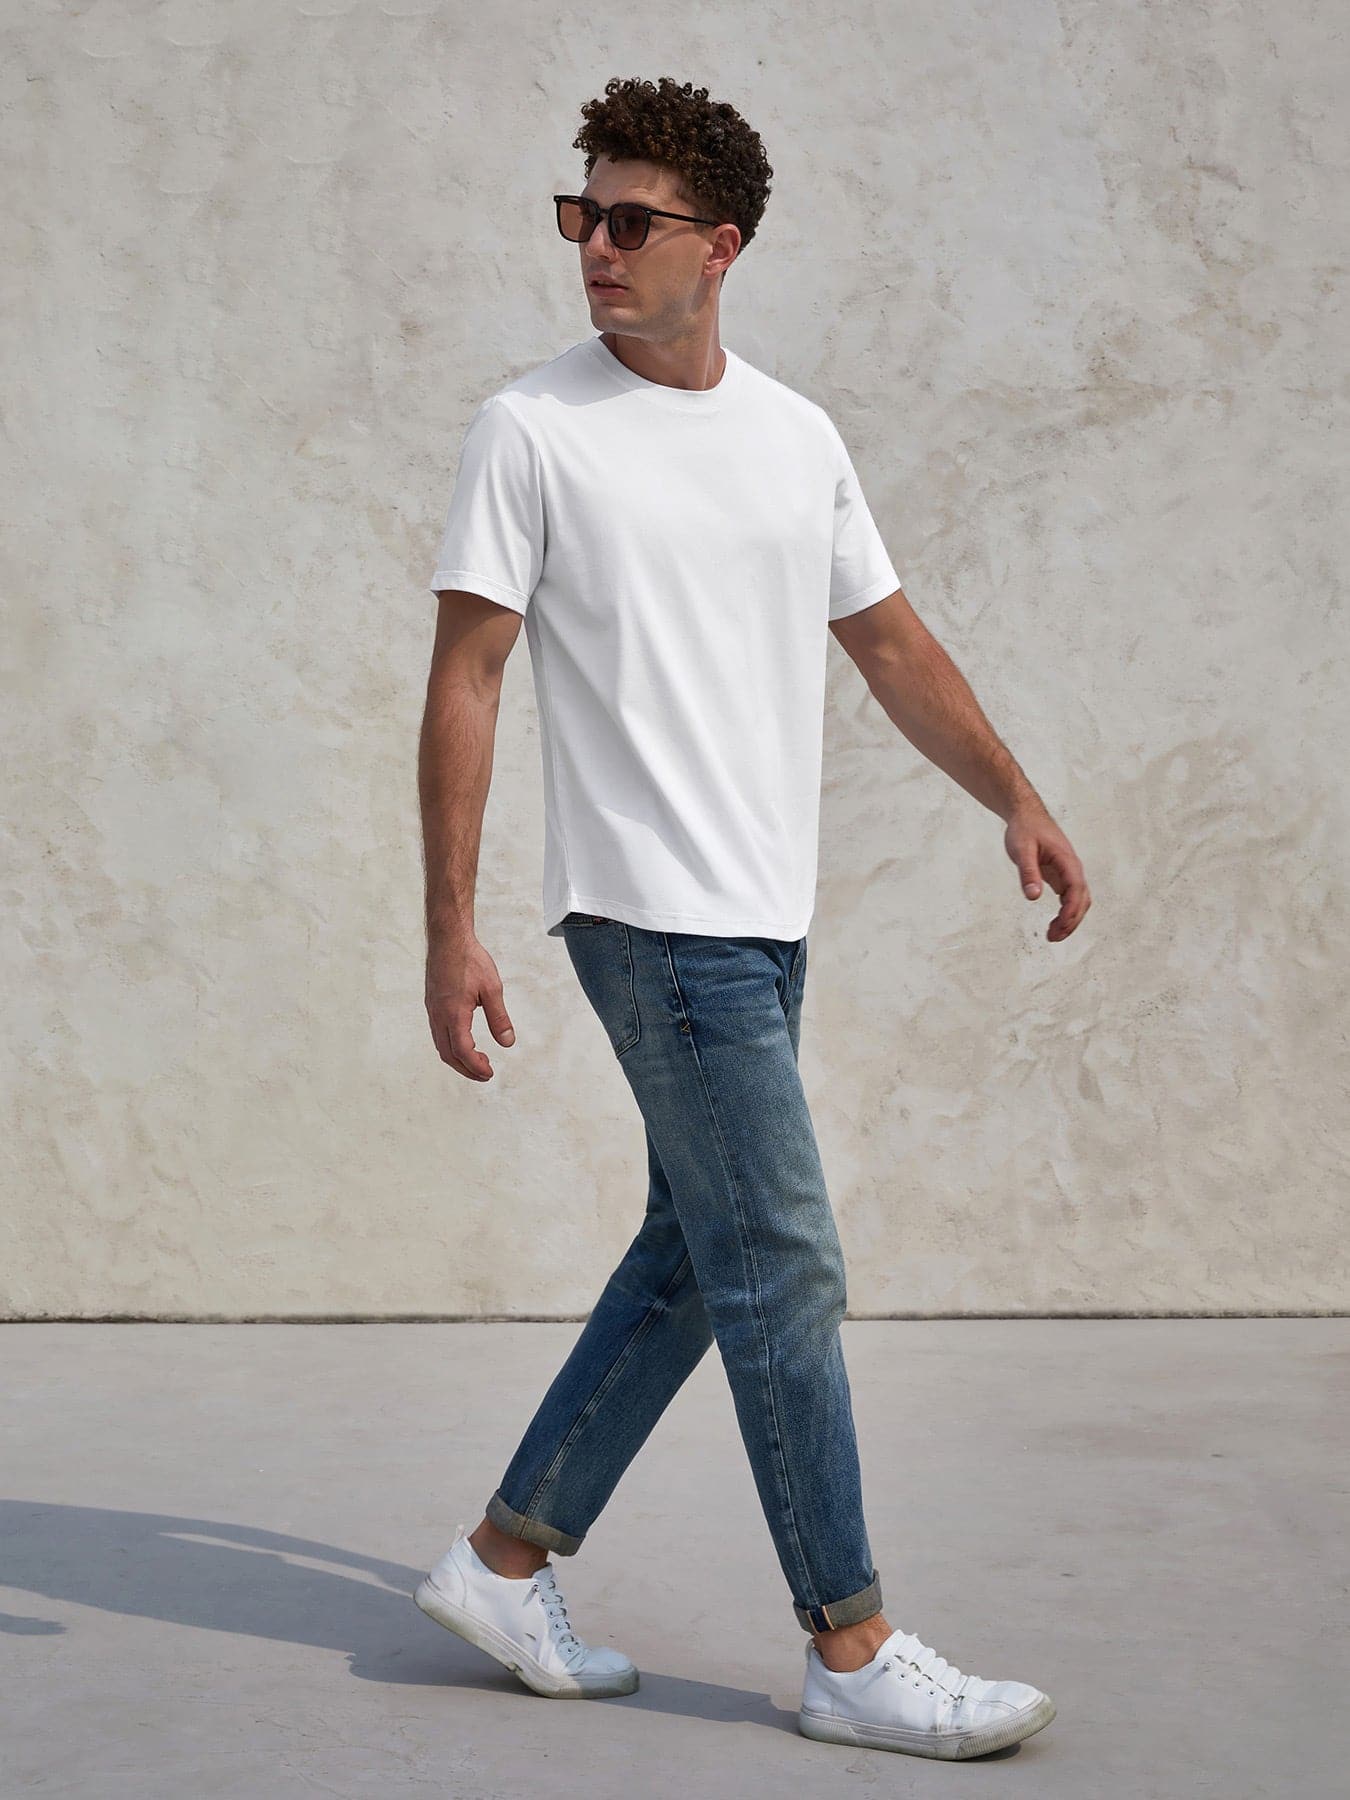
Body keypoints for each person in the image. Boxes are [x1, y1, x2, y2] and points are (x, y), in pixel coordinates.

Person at [413, 75, 1089, 1760]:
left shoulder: (795, 436)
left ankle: (502, 1563)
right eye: (580, 214)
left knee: (696, 1254)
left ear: (719, 247)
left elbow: (889, 643)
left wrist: (1011, 794)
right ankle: (848, 1645)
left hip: (764, 912)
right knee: (783, 1256)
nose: (594, 246)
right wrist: (450, 923)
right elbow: (467, 677)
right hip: (644, 911)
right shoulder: (531, 429)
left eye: (629, 220)